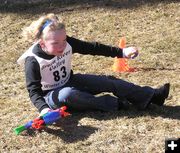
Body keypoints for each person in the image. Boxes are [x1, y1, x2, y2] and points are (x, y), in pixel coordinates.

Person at [17, 13, 170, 116]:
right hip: (51, 96)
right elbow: (34, 91)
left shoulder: (66, 43)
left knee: (108, 81)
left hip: (71, 81)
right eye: (55, 43)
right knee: (68, 94)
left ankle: (150, 96)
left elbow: (93, 48)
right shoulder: (32, 60)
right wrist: (44, 110)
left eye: (64, 40)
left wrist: (122, 52)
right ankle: (115, 104)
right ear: (41, 43)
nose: (62, 45)